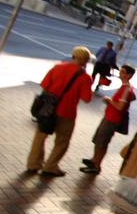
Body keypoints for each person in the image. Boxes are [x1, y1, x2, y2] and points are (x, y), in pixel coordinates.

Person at [27, 47, 93, 177]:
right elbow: (87, 98)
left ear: (73, 56)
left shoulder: (57, 67)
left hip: (47, 109)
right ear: (86, 61)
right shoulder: (85, 77)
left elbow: (44, 85)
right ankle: (50, 166)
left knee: (40, 137)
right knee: (62, 142)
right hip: (67, 113)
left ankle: (33, 164)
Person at [80, 65, 136, 174]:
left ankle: (96, 165)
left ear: (129, 75)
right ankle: (94, 160)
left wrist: (109, 101)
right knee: (98, 140)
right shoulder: (126, 87)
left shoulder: (126, 88)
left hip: (112, 119)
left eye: (123, 72)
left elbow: (120, 106)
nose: (121, 73)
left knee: (102, 142)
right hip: (109, 117)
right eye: (121, 71)